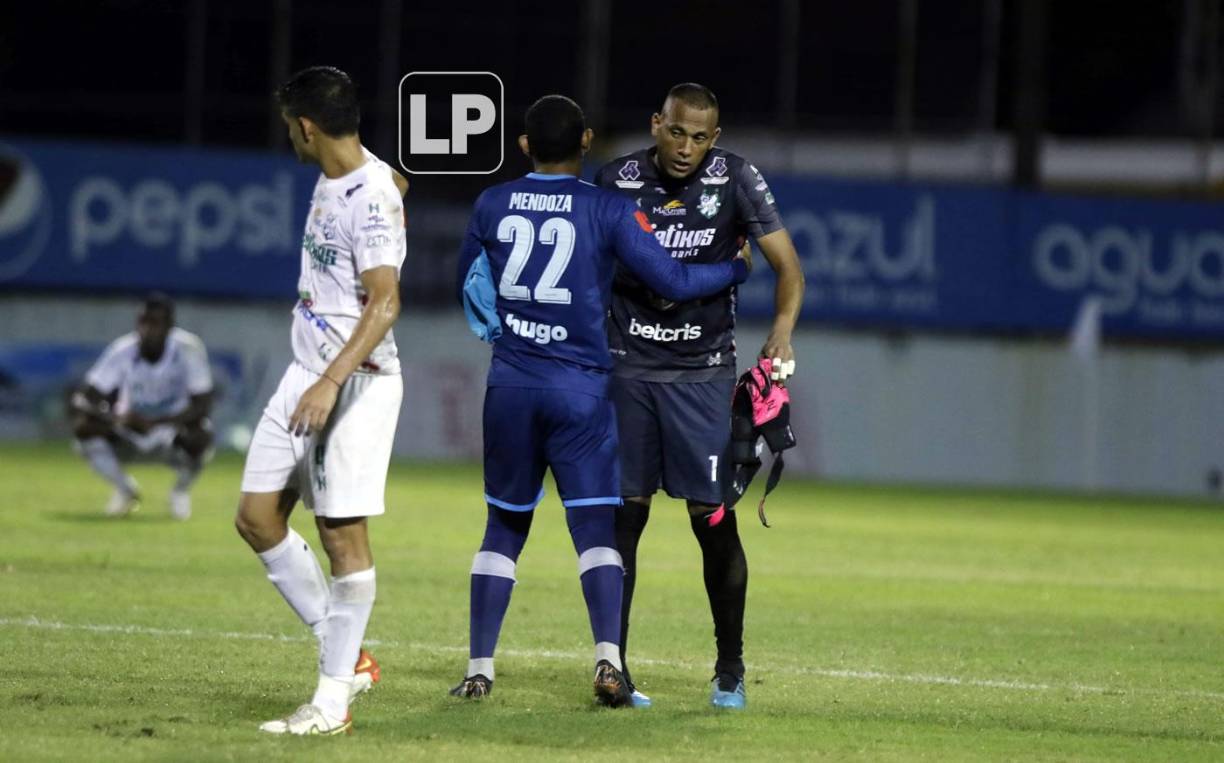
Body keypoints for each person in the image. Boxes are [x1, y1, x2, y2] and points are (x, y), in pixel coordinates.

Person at [451, 94, 750, 707]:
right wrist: (736, 270)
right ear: (586, 142)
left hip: (511, 386)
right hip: (581, 390)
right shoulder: (607, 208)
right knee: (595, 529)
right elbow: (673, 281)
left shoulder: (491, 203)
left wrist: (505, 333)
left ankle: (479, 670)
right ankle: (609, 662)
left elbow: (470, 285)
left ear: (525, 145)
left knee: (502, 526)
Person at [594, 82, 805, 709]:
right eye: (677, 132)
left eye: (700, 137)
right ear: (656, 124)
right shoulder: (616, 180)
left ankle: (730, 669)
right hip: (629, 370)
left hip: (703, 374)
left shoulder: (736, 178)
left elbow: (789, 268)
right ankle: (613, 668)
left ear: (715, 138)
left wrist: (782, 329)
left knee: (712, 520)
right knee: (623, 521)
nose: (686, 148)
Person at [233, 66, 408, 736]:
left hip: (352, 381)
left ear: (307, 127)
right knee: (257, 518)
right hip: (305, 372)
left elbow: (385, 302)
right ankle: (349, 655)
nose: (289, 137)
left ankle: (331, 703)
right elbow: (396, 183)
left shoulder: (368, 196)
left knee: (342, 536)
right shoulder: (355, 177)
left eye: (289, 126)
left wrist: (331, 381)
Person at [69, 292, 213, 521]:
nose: (147, 329)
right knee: (83, 428)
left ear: (169, 326)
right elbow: (82, 399)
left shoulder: (188, 349)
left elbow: (203, 403)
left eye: (155, 323)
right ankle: (125, 490)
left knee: (203, 433)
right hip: (130, 429)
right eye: (143, 322)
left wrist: (158, 422)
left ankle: (179, 492)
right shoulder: (123, 350)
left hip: (171, 432)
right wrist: (117, 419)